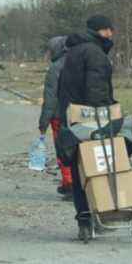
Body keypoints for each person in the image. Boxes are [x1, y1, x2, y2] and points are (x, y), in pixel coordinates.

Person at [58, 15, 116, 239]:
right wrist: (105, 117)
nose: (112, 35)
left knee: (78, 170)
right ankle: (101, 214)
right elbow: (96, 89)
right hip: (91, 121)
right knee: (99, 169)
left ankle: (83, 220)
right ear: (103, 31)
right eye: (110, 30)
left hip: (72, 121)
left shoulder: (72, 52)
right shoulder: (94, 53)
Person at [38, 35, 71, 196]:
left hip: (59, 116)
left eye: (51, 50)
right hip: (80, 114)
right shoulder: (79, 63)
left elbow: (50, 98)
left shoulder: (55, 68)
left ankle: (69, 183)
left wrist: (43, 122)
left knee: (63, 150)